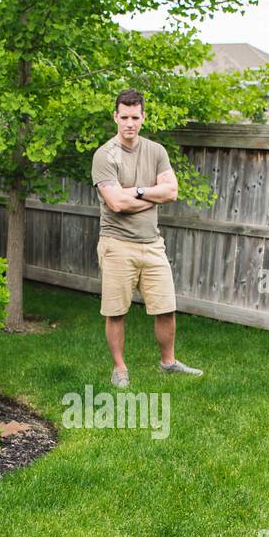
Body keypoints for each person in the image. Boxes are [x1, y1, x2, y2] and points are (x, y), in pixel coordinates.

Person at [91, 88, 202, 388]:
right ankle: (119, 368)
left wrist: (137, 191)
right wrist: (152, 196)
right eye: (124, 117)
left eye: (135, 117)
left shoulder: (156, 151)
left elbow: (172, 192)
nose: (130, 123)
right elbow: (116, 203)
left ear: (143, 118)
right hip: (117, 244)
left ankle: (168, 362)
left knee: (166, 307)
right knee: (116, 311)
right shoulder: (104, 155)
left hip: (152, 243)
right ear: (115, 117)